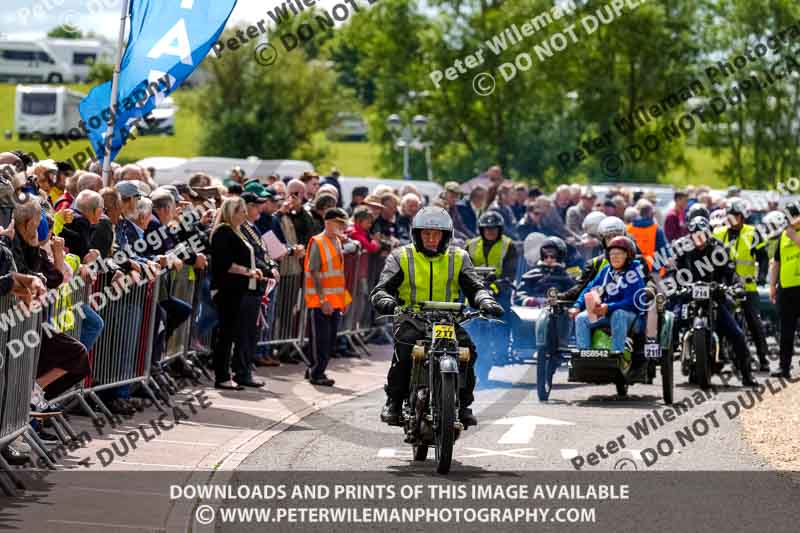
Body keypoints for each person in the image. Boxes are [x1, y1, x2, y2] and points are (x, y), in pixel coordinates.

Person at [371, 207, 503, 427]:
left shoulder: (459, 257)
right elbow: (381, 289)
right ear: (416, 234)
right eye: (426, 233)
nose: (431, 238)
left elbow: (475, 288)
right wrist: (386, 301)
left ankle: (463, 404)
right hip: (411, 318)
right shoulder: (401, 256)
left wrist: (486, 301)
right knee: (404, 350)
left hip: (448, 320)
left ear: (446, 235)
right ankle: (394, 401)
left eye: (436, 233)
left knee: (467, 352)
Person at [674, 216, 758, 386]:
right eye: (695, 234)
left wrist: (736, 285)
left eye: (702, 234)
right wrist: (675, 286)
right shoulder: (683, 250)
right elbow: (675, 271)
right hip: (689, 296)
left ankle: (747, 375)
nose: (699, 238)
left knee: (737, 335)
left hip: (715, 298)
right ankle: (664, 363)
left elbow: (731, 272)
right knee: (672, 322)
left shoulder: (719, 249)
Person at [210, 197, 265, 390]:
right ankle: (222, 375)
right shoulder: (223, 232)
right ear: (231, 213)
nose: (244, 214)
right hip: (228, 290)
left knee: (231, 332)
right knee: (226, 333)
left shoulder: (237, 231)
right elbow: (224, 263)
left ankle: (228, 373)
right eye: (241, 211)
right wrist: (248, 271)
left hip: (239, 289)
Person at [712, 199, 770, 371]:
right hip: (723, 286)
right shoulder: (717, 233)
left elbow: (763, 258)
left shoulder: (753, 233)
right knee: (717, 318)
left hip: (747, 285)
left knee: (754, 320)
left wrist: (760, 276)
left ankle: (762, 356)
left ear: (743, 217)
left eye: (736, 216)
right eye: (730, 215)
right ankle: (717, 353)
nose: (733, 219)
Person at [571, 236, 646, 365]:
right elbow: (590, 288)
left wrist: (608, 307)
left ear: (628, 256)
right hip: (606, 313)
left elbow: (632, 302)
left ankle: (617, 356)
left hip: (633, 319)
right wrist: (577, 306)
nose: (615, 257)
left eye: (619, 254)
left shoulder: (635, 272)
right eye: (612, 254)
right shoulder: (606, 271)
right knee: (581, 318)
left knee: (619, 314)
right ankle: (585, 358)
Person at [304, 208, 351, 386]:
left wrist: (343, 300)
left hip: (334, 300)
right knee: (321, 340)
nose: (342, 227)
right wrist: (323, 299)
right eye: (339, 223)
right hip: (320, 301)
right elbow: (314, 272)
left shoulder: (337, 242)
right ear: (328, 223)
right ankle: (317, 373)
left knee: (329, 339)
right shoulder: (318, 241)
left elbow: (338, 274)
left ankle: (313, 370)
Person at [769, 202, 800, 378]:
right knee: (786, 331)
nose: (789, 221)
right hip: (786, 290)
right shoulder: (783, 236)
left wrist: (794, 236)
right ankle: (784, 367)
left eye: (792, 217)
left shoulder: (792, 234)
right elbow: (777, 263)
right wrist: (773, 286)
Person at [466, 211, 518, 308]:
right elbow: (464, 269)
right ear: (481, 229)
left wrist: (496, 285)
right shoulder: (470, 245)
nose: (490, 231)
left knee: (504, 310)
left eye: (494, 228)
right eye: (487, 228)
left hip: (500, 287)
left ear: (500, 229)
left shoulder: (509, 245)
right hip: (474, 287)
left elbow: (510, 273)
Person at [515, 236, 575, 306]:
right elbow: (519, 295)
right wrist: (529, 300)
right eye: (545, 256)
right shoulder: (531, 274)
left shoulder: (566, 277)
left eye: (553, 256)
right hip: (533, 313)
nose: (549, 259)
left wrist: (559, 301)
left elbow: (573, 296)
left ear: (559, 257)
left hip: (557, 312)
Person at [627, 199, 667, 275]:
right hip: (654, 270)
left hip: (634, 271)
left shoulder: (628, 229)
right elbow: (663, 251)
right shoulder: (657, 230)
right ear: (651, 214)